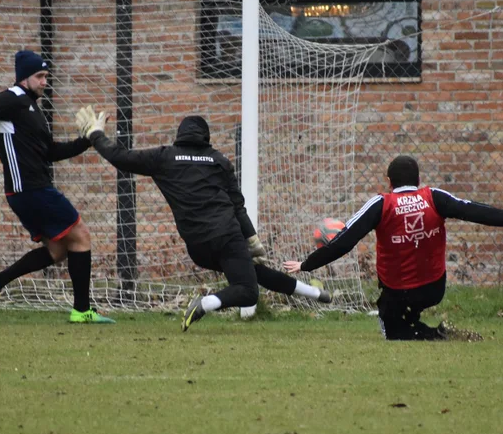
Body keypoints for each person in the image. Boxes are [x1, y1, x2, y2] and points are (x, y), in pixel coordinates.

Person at [74, 107, 331, 331]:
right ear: (206, 138)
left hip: (197, 246)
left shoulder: (164, 157)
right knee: (248, 291)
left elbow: (120, 158)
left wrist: (96, 134)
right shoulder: (219, 160)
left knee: (252, 273)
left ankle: (315, 294)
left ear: (180, 136)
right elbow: (237, 205)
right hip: (227, 234)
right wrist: (252, 239)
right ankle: (205, 303)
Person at [282, 155, 503, 341]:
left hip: (398, 291)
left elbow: (345, 241)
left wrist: (307, 264)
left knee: (392, 331)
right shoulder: (434, 197)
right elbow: (476, 210)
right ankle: (425, 327)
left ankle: (438, 334)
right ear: (418, 179)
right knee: (405, 315)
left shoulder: (382, 204)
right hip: (434, 288)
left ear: (389, 181)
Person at [0, 50, 114, 323]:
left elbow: (50, 152)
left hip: (29, 190)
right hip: (30, 189)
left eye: (46, 76)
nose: (45, 82)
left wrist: (90, 138)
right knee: (81, 235)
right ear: (24, 78)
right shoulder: (12, 99)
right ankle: (82, 310)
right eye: (39, 76)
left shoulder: (31, 108)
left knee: (58, 251)